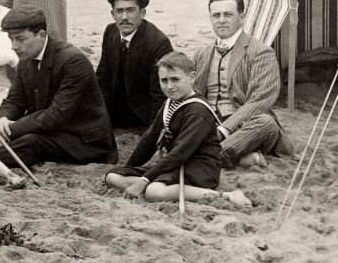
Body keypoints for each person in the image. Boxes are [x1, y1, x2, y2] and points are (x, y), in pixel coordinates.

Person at [104, 51, 252, 207]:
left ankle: (226, 195)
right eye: (164, 80)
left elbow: (181, 151)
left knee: (154, 192)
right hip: (174, 164)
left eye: (175, 79)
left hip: (199, 168)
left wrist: (144, 180)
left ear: (192, 77)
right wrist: (129, 167)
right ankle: (159, 185)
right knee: (113, 177)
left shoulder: (198, 111)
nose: (169, 86)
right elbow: (150, 139)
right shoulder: (170, 103)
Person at [0, 6, 117, 167]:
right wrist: (3, 119)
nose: (14, 46)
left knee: (31, 143)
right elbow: (15, 100)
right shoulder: (26, 59)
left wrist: (12, 129)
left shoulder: (73, 61)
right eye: (11, 39)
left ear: (42, 35)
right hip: (51, 132)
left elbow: (56, 115)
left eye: (20, 39)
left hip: (85, 142)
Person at [193, 0, 290, 169]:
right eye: (216, 15)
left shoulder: (261, 52)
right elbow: (195, 94)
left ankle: (208, 156)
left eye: (228, 14)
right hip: (210, 124)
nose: (221, 20)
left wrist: (224, 130)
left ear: (241, 17)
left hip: (245, 126)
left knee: (266, 123)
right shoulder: (202, 54)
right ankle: (240, 157)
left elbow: (260, 101)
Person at [95, 0, 174, 129]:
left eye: (130, 10)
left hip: (141, 116)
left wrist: (152, 131)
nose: (124, 17)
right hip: (113, 110)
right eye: (119, 11)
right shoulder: (110, 32)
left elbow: (160, 94)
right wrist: (101, 116)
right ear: (112, 14)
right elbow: (102, 77)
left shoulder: (158, 43)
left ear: (142, 13)